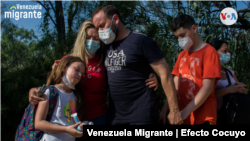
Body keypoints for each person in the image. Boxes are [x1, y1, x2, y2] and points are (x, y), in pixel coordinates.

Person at [28, 19, 158, 126]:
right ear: (81, 38)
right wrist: (34, 91)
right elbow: (51, 87)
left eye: (96, 38)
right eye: (88, 37)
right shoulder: (68, 61)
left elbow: (125, 72)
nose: (92, 41)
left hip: (100, 117)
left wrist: (150, 76)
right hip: (70, 119)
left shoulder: (106, 58)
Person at [92, 5, 182, 125]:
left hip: (142, 116)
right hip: (115, 117)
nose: (100, 31)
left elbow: (164, 73)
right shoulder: (105, 47)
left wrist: (174, 110)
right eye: (97, 28)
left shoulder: (142, 41)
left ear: (115, 19)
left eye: (102, 25)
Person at [171, 14, 221, 125]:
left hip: (203, 117)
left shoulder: (209, 52)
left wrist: (183, 113)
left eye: (182, 35)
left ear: (194, 29)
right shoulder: (182, 55)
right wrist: (168, 109)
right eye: (177, 37)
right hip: (182, 117)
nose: (180, 40)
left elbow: (207, 88)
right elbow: (175, 85)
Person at [35, 56, 86, 141]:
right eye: (77, 70)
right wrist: (66, 129)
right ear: (64, 68)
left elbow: (69, 121)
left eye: (82, 73)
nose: (80, 74)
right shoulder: (49, 92)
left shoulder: (76, 96)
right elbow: (39, 123)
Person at [210, 40, 247, 123]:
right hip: (215, 117)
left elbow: (236, 90)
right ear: (213, 52)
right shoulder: (207, 72)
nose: (228, 54)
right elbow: (205, 97)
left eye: (228, 51)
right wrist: (227, 90)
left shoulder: (230, 72)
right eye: (224, 51)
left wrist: (241, 90)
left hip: (231, 116)